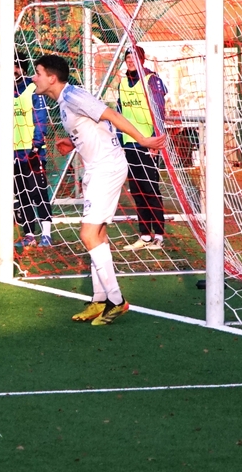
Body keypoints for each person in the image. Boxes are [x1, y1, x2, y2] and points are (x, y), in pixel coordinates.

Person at [31, 54, 165, 325]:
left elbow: (111, 115)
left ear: (52, 78)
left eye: (38, 73)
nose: (34, 78)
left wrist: (143, 140)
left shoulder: (73, 96)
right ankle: (100, 299)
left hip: (107, 167)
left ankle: (116, 300)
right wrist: (71, 142)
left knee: (88, 234)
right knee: (98, 234)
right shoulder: (64, 101)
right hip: (97, 168)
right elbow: (94, 126)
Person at [117, 46, 168, 251]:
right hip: (129, 143)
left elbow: (160, 111)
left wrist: (156, 141)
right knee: (137, 190)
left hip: (148, 143)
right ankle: (145, 235)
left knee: (150, 189)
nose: (130, 61)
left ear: (142, 59)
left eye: (134, 57)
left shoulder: (151, 80)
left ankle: (159, 236)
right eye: (128, 57)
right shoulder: (122, 83)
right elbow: (120, 113)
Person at [13, 56, 54, 249]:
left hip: (32, 151)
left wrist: (36, 144)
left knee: (38, 192)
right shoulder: (7, 91)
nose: (13, 71)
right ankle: (29, 234)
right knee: (22, 195)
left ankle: (46, 233)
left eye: (16, 67)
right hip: (13, 152)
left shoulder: (33, 89)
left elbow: (40, 118)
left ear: (22, 69)